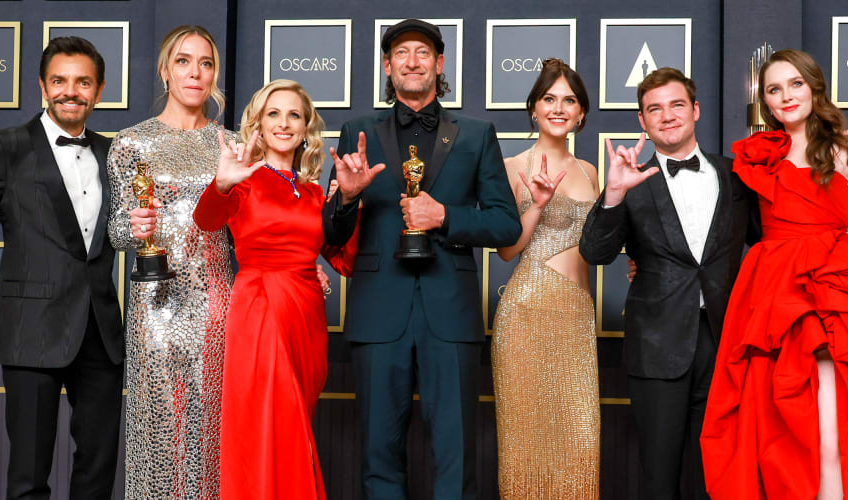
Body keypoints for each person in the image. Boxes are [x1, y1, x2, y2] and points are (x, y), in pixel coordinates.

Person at [700, 48, 848, 500]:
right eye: (774, 90)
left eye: (795, 83)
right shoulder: (760, 154)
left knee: (835, 422)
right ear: (766, 103)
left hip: (833, 288)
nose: (786, 96)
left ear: (815, 85)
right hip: (774, 292)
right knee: (779, 426)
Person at [323, 19, 521, 499]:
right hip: (377, 313)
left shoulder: (476, 133)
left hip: (450, 314)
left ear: (440, 63)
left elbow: (506, 224)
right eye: (402, 53)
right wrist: (345, 199)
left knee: (456, 457)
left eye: (423, 52)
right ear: (388, 67)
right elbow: (331, 234)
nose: (413, 61)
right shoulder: (356, 131)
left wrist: (446, 216)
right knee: (378, 458)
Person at [0, 37, 124, 499]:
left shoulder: (117, 152)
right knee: (29, 476)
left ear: (100, 90)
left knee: (97, 472)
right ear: (42, 85)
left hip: (101, 334)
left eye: (82, 82)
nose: (70, 91)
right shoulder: (6, 146)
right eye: (59, 80)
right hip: (31, 332)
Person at [579, 68, 760, 500]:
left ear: (695, 110)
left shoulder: (736, 175)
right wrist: (614, 196)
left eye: (677, 105)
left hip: (726, 343)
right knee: (659, 476)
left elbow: (771, 243)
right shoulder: (630, 182)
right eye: (654, 109)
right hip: (656, 346)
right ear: (643, 122)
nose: (667, 116)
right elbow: (595, 252)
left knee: (715, 475)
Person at [193, 78, 357, 500]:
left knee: (294, 422)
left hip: (305, 317)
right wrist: (223, 183)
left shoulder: (317, 192)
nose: (284, 124)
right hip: (258, 309)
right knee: (267, 425)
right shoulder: (244, 178)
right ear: (259, 126)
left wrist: (352, 202)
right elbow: (207, 221)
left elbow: (345, 260)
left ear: (306, 128)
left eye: (294, 115)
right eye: (273, 114)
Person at [106, 25, 234, 498]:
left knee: (214, 426)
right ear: (165, 70)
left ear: (214, 73)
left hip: (218, 301)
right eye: (183, 61)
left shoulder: (232, 144)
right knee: (158, 426)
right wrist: (134, 226)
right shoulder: (130, 144)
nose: (195, 73)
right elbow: (116, 233)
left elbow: (250, 230)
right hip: (154, 304)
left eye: (205, 63)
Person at [491, 58, 601, 498]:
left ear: (582, 114)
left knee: (581, 445)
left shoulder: (591, 171)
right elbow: (505, 251)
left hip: (576, 319)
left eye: (569, 100)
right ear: (533, 109)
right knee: (525, 451)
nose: (559, 108)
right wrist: (535, 205)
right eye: (549, 99)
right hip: (526, 315)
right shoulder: (512, 165)